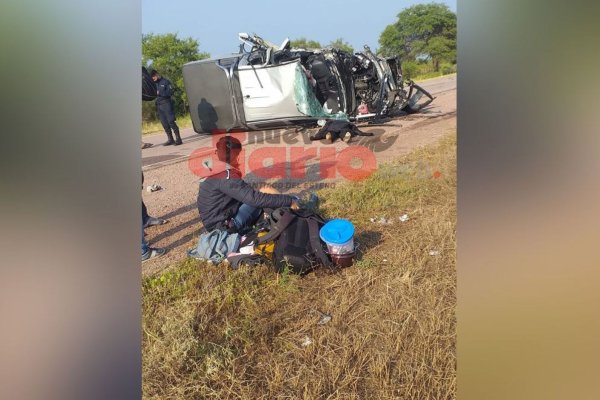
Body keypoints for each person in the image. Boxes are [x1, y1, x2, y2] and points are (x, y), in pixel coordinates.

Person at [197, 136, 302, 235]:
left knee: (264, 193)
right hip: (226, 228)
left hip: (217, 223)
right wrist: (288, 200)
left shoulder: (213, 169)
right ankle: (298, 208)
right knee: (265, 192)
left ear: (216, 152)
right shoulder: (225, 175)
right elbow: (253, 199)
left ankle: (293, 206)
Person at [151, 70, 182, 146]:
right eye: (152, 78)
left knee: (171, 121)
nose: (153, 79)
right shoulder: (154, 84)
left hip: (166, 104)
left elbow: (170, 93)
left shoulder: (165, 82)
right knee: (164, 123)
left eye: (154, 77)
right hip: (159, 105)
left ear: (157, 75)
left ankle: (178, 139)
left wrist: (159, 93)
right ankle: (170, 139)